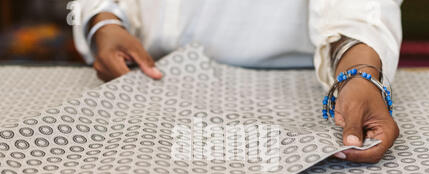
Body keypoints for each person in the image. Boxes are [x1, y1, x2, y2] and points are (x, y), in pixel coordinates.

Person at [73, 0, 402, 163]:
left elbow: (361, 7)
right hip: (142, 75)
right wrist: (103, 21)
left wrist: (360, 71)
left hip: (288, 83)